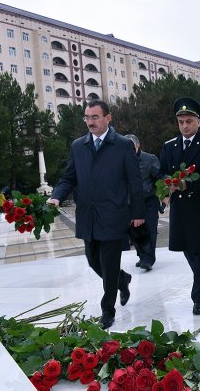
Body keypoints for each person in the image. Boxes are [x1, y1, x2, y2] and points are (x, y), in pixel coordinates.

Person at [49, 99, 145, 329]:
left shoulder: (122, 145)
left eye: (95, 117)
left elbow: (134, 181)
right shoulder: (78, 146)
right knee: (93, 261)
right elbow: (69, 177)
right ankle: (122, 280)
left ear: (107, 118)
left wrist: (138, 212)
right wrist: (56, 196)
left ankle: (107, 311)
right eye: (87, 118)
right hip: (88, 215)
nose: (90, 122)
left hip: (114, 214)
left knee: (109, 264)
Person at [159, 98, 200, 315]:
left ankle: (198, 297)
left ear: (198, 122)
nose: (184, 125)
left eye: (189, 121)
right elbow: (162, 171)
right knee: (184, 246)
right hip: (180, 207)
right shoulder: (169, 146)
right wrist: (167, 182)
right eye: (181, 121)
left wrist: (187, 182)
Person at [124, 134, 160, 271]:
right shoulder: (121, 161)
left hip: (148, 200)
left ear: (137, 146)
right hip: (130, 203)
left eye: (131, 147)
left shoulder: (150, 159)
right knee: (134, 231)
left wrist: (163, 196)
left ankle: (148, 259)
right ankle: (142, 255)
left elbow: (159, 177)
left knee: (150, 229)